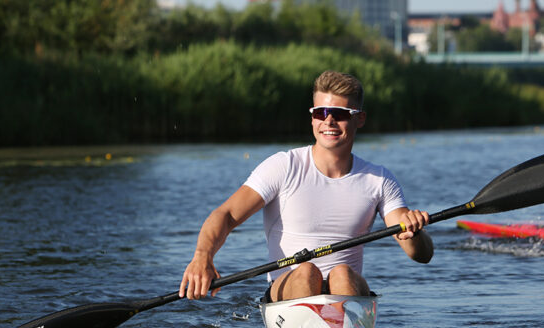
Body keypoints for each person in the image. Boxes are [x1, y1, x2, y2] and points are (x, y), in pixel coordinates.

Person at [179, 70, 434, 301]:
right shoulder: (283, 166)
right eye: (321, 112)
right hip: (289, 287)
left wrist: (414, 233)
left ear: (360, 119)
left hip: (346, 289)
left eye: (341, 114)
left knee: (342, 273)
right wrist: (203, 256)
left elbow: (420, 254)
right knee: (307, 271)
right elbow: (225, 215)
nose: (329, 121)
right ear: (312, 118)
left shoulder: (379, 179)